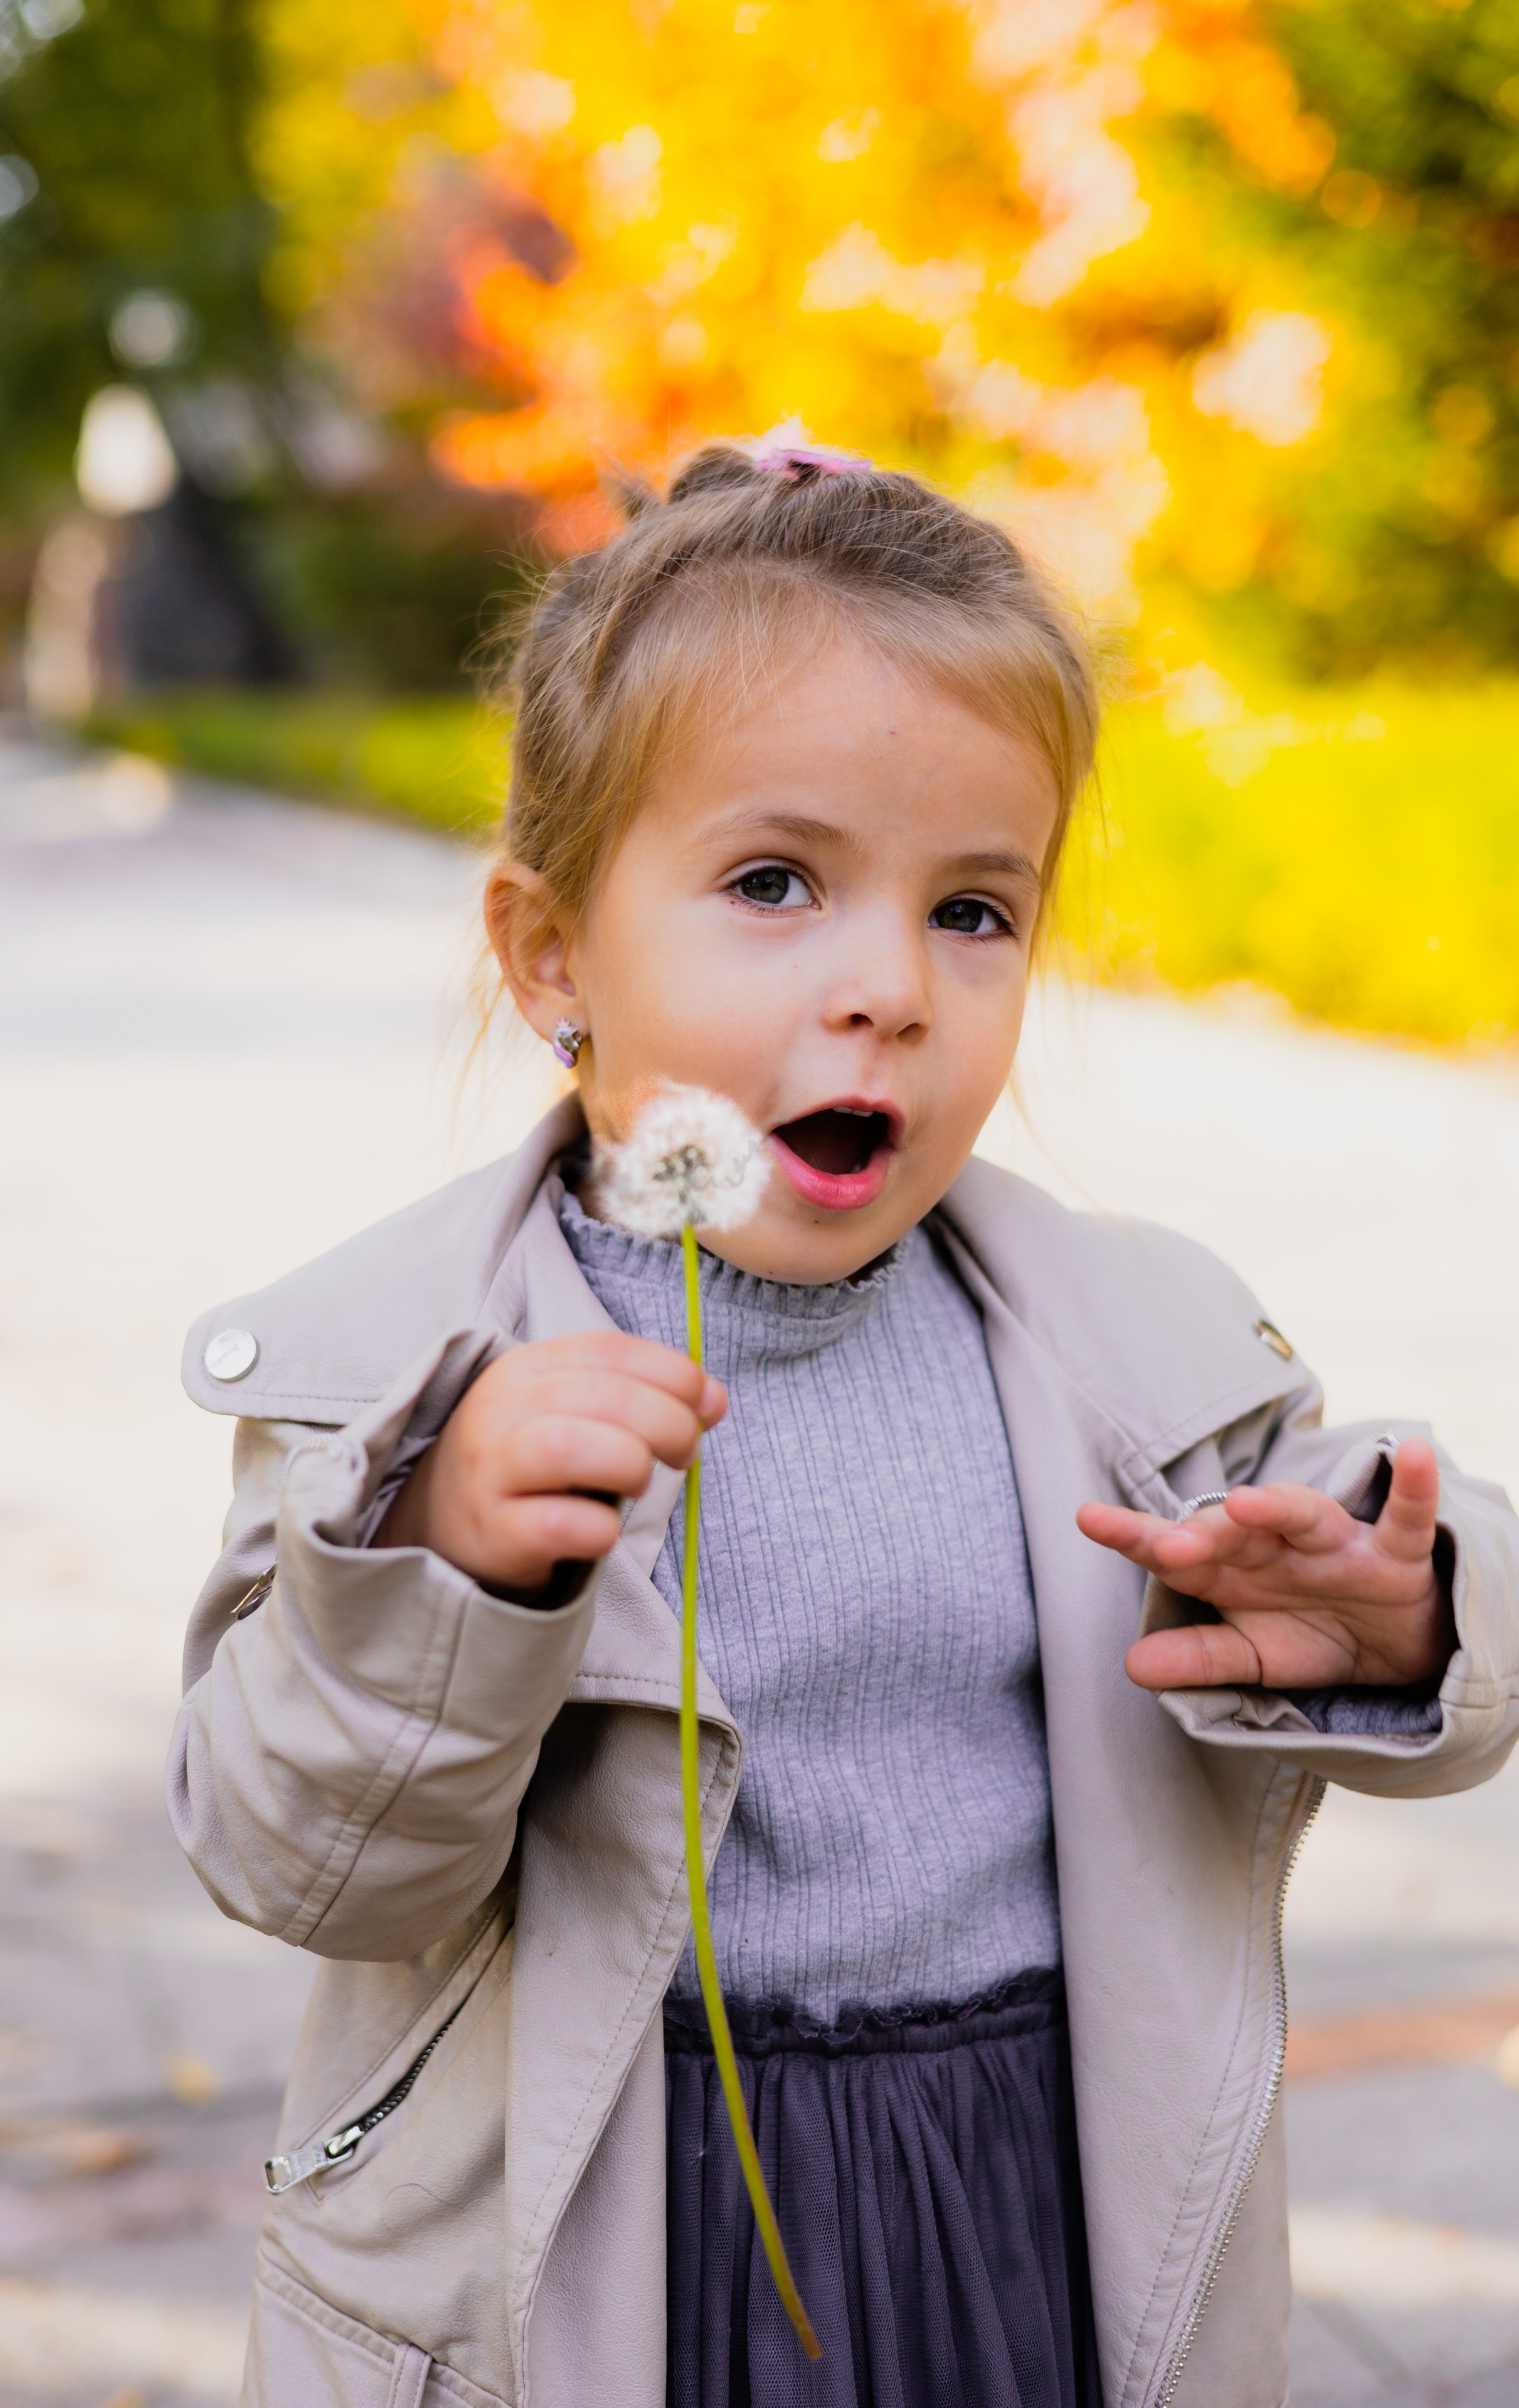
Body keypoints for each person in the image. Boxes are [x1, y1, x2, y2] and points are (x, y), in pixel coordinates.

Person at [168, 441, 1519, 2408]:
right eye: (774, 884)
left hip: (1027, 2192)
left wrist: (1400, 1622)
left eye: (975, 910)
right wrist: (441, 1568)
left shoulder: (1133, 1350)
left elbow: (1456, 1625)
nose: (889, 987)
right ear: (553, 953)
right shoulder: (400, 1392)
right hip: (631, 2222)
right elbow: (304, 1861)